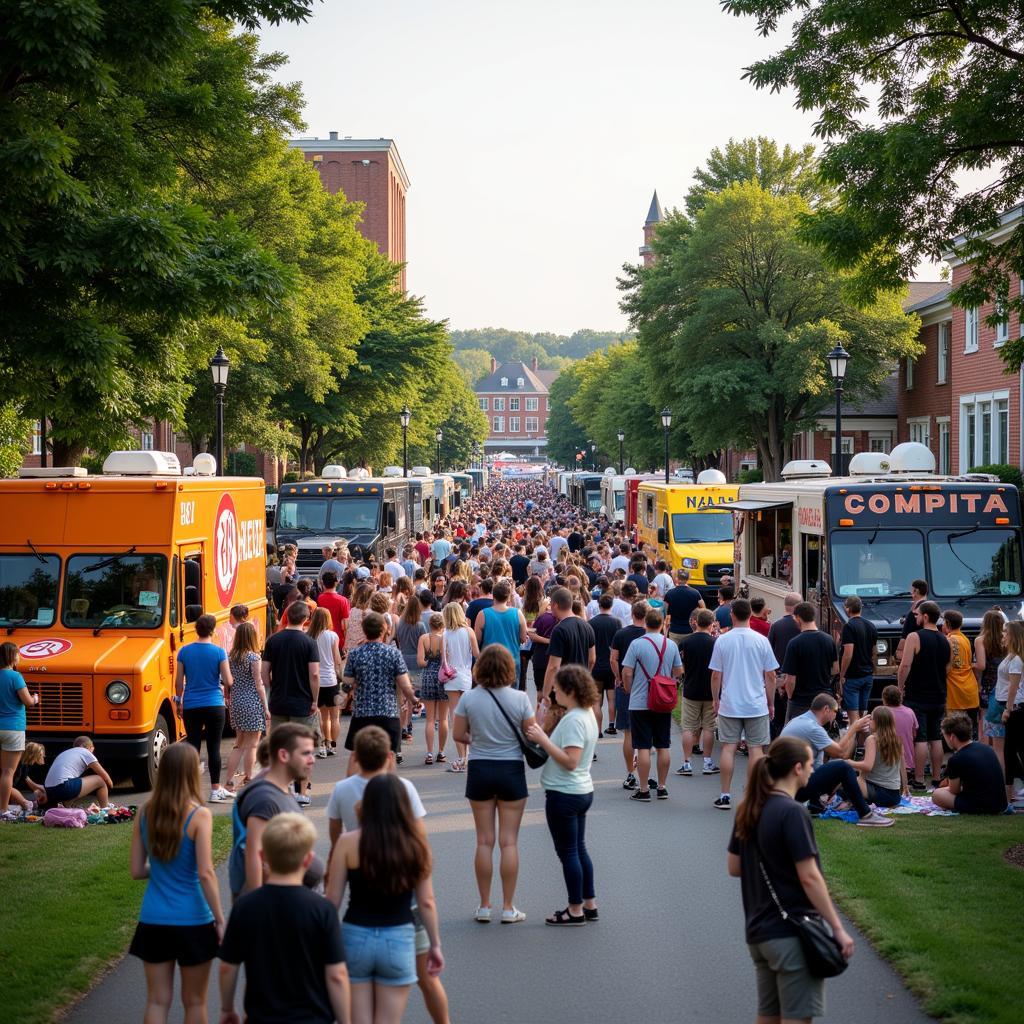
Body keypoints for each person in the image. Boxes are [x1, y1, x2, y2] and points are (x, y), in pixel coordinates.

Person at [727, 736, 855, 1023]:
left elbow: (734, 866)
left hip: (759, 932)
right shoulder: (793, 812)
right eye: (810, 764)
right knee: (797, 1016)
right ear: (797, 768)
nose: (812, 771)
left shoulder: (749, 808)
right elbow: (809, 877)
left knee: (768, 1015)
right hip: (791, 932)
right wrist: (837, 928)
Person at [325, 727, 446, 1024]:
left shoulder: (348, 843)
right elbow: (427, 901)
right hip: (399, 936)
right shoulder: (414, 847)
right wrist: (435, 944)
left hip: (356, 935)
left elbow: (332, 899)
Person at [220, 813, 350, 1024]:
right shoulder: (322, 909)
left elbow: (228, 966)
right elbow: (337, 974)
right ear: (308, 860)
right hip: (313, 1017)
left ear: (263, 857)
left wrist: (227, 1009)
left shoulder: (245, 906)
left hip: (262, 1017)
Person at [129, 742, 224, 1024]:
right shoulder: (199, 814)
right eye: (199, 763)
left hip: (154, 919)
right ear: (189, 772)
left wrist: (161, 869)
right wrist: (220, 919)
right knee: (195, 1002)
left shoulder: (145, 812)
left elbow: (136, 870)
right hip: (194, 919)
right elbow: (205, 873)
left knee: (157, 1000)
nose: (202, 767)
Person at [451, 645, 537, 924]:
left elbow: (458, 734)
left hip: (480, 768)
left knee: (484, 841)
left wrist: (479, 740)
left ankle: (484, 905)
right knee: (509, 841)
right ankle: (509, 907)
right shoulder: (521, 698)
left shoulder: (470, 699)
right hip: (511, 769)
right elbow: (530, 736)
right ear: (509, 669)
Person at [525, 665, 600, 925]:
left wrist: (543, 740)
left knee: (568, 852)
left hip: (565, 793)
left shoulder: (575, 719)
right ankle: (589, 903)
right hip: (580, 790)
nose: (554, 691)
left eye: (557, 687)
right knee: (578, 849)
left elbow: (571, 760)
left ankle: (575, 909)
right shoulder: (584, 713)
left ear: (570, 690)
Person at [228, 723, 316, 899]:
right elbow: (254, 853)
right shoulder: (265, 799)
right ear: (283, 755)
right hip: (273, 906)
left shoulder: (279, 787)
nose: (312, 759)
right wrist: (259, 906)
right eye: (306, 753)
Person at [781, 693, 892, 826]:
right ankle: (865, 814)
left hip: (786, 785)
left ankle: (815, 806)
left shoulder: (801, 721)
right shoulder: (812, 727)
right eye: (836, 711)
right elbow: (840, 752)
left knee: (836, 766)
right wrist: (853, 728)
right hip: (791, 788)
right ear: (826, 709)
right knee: (842, 766)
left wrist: (829, 785)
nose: (837, 714)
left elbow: (820, 766)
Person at [709, 598, 778, 810]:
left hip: (730, 703)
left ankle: (725, 794)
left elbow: (715, 675)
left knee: (728, 748)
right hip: (756, 704)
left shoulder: (722, 640)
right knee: (756, 749)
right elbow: (771, 676)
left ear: (732, 615)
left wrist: (716, 699)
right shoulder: (761, 641)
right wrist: (771, 702)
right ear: (751, 614)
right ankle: (752, 795)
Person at [262, 601, 320, 802]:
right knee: (303, 747)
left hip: (278, 701)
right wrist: (315, 700)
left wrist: (271, 686)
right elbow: (314, 674)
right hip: (302, 702)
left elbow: (264, 672)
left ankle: (281, 788)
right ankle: (302, 792)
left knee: (280, 746)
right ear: (306, 619)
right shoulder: (309, 643)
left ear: (287, 617)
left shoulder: (273, 641)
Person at [622, 606, 682, 801]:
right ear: (662, 624)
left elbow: (627, 672)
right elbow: (679, 671)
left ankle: (644, 788)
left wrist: (629, 688)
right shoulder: (670, 645)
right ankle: (662, 786)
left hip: (640, 700)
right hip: (662, 701)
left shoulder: (636, 644)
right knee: (663, 744)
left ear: (646, 623)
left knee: (643, 746)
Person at [342, 611, 415, 769]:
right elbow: (404, 684)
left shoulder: (355, 654)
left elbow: (346, 684)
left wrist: (351, 687)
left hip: (362, 712)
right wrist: (414, 700)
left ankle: (352, 789)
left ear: (364, 630)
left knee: (356, 753)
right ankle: (387, 789)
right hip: (387, 711)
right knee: (389, 754)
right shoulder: (394, 653)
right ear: (384, 630)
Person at [175, 612, 234, 802]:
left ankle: (190, 791)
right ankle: (215, 790)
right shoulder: (219, 652)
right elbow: (228, 680)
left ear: (196, 630)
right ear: (213, 630)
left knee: (192, 747)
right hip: (214, 704)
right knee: (214, 748)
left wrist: (178, 701)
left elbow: (178, 682)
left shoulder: (184, 651)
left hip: (191, 704)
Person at [897, 600, 950, 789]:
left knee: (920, 738)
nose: (915, 617)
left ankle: (919, 779)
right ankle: (936, 778)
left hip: (917, 693)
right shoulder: (945, 639)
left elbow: (905, 665)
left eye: (918, 615)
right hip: (938, 694)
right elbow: (948, 668)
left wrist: (900, 686)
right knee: (935, 737)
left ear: (926, 616)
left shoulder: (914, 637)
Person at [224, 622, 270, 795]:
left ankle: (228, 781)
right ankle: (249, 778)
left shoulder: (230, 657)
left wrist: (228, 697)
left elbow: (227, 682)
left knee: (239, 744)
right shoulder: (254, 658)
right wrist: (265, 707)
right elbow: (259, 685)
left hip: (236, 701)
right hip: (252, 701)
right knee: (252, 744)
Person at [932, 713, 1010, 814]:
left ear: (952, 737)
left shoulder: (956, 759)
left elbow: (954, 790)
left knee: (937, 794)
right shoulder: (987, 749)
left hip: (982, 806)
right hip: (1000, 804)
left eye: (944, 736)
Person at [779, 602, 838, 723]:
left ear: (799, 618)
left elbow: (791, 679)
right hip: (824, 699)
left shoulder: (794, 643)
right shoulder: (829, 639)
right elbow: (836, 669)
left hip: (801, 702)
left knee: (795, 738)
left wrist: (790, 697)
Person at [610, 600, 647, 790]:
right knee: (646, 732)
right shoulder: (650, 635)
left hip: (626, 685)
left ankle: (630, 773)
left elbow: (614, 658)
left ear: (632, 614)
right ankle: (646, 773)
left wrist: (618, 676)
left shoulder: (621, 634)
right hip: (647, 687)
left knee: (628, 732)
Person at [677, 608, 719, 777]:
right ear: (711, 624)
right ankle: (707, 761)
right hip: (710, 690)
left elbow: (680, 665)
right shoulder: (715, 643)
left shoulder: (686, 642)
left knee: (688, 727)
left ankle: (687, 763)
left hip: (691, 688)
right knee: (709, 727)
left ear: (696, 622)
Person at [0, 641, 39, 816]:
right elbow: (28, 702)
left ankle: (13, 804)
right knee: (8, 772)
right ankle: (3, 810)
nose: (19, 657)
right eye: (18, 654)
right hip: (13, 728)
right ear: (12, 657)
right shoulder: (15, 677)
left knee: (3, 772)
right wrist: (36, 698)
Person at [847, 705, 909, 808]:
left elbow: (867, 766)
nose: (869, 722)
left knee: (846, 776)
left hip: (879, 794)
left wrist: (849, 762)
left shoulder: (872, 739)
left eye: (871, 719)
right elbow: (902, 766)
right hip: (894, 796)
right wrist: (905, 786)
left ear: (877, 722)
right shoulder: (897, 740)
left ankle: (842, 801)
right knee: (857, 776)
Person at [442, 602, 479, 773]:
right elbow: (477, 654)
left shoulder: (445, 634)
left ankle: (461, 757)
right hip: (465, 676)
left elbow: (445, 659)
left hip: (451, 677)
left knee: (454, 717)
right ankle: (469, 755)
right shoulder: (469, 631)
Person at [542, 586, 596, 700]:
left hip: (563, 688)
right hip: (581, 685)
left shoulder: (559, 630)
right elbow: (592, 659)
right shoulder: (587, 626)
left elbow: (553, 666)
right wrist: (586, 675)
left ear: (555, 605)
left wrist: (546, 694)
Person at [476, 581, 528, 689]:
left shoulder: (482, 614)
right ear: (508, 597)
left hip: (489, 662)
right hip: (511, 661)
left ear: (493, 596)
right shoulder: (518, 613)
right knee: (512, 698)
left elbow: (477, 640)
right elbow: (523, 638)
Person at [975, 609, 1007, 771]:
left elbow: (981, 665)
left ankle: (985, 766)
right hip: (1006, 688)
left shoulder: (981, 640)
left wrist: (969, 666)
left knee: (985, 729)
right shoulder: (1007, 639)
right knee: (1002, 735)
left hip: (988, 688)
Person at [310, 608, 344, 759]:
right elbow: (337, 659)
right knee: (335, 716)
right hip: (331, 679)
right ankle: (332, 745)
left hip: (316, 681)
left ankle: (324, 744)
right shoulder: (332, 636)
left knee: (323, 717)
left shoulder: (309, 636)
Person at [766, 593, 802, 738]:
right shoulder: (802, 626)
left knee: (780, 716)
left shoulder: (776, 626)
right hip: (798, 675)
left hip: (780, 676)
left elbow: (769, 651)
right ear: (798, 605)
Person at [43, 735, 113, 809]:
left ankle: (67, 802)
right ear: (89, 747)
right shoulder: (85, 752)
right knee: (100, 780)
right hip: (63, 787)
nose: (92, 753)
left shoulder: (66, 752)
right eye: (92, 750)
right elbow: (105, 776)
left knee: (79, 782)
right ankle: (105, 809)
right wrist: (110, 786)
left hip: (48, 790)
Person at [997, 620, 1024, 804]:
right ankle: (1009, 793)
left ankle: (1008, 796)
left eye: (1006, 632)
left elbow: (1014, 688)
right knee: (1012, 750)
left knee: (1011, 751)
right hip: (1011, 707)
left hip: (1015, 709)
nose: (1003, 635)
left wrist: (1008, 709)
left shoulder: (1016, 660)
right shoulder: (1011, 656)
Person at [942, 609, 981, 738]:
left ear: (947, 623)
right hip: (969, 688)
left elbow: (948, 667)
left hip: (955, 691)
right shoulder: (964, 639)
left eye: (943, 622)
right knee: (968, 730)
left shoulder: (949, 640)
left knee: (955, 731)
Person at [588, 592, 622, 736]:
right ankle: (611, 725)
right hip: (612, 665)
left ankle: (597, 729)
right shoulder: (617, 622)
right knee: (612, 698)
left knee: (596, 700)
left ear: (599, 605)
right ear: (611, 605)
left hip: (596, 664)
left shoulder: (592, 623)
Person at [418, 614, 449, 765]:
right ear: (442, 624)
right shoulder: (446, 637)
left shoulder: (424, 638)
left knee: (430, 719)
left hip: (428, 676)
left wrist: (429, 660)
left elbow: (420, 662)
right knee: (443, 718)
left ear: (430, 624)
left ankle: (429, 753)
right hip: (443, 677)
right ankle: (441, 752)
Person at [839, 595, 877, 718]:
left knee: (854, 718)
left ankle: (855, 737)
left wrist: (842, 674)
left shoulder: (849, 627)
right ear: (861, 608)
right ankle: (864, 737)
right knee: (864, 715)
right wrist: (874, 668)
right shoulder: (871, 625)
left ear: (848, 609)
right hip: (867, 675)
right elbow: (874, 651)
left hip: (853, 677)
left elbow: (848, 653)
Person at [881, 685, 918, 780]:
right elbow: (914, 733)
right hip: (907, 757)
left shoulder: (883, 712)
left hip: (887, 757)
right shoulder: (910, 711)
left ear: (884, 699)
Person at [895, 578, 929, 662]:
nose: (911, 593)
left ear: (916, 591)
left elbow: (904, 638)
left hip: (915, 657)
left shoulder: (913, 613)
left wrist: (897, 654)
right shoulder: (933, 610)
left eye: (912, 590)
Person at [317, 571, 351, 638]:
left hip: (323, 637)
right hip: (339, 637)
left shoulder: (320, 598)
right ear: (336, 583)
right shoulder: (343, 600)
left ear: (323, 583)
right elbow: (345, 624)